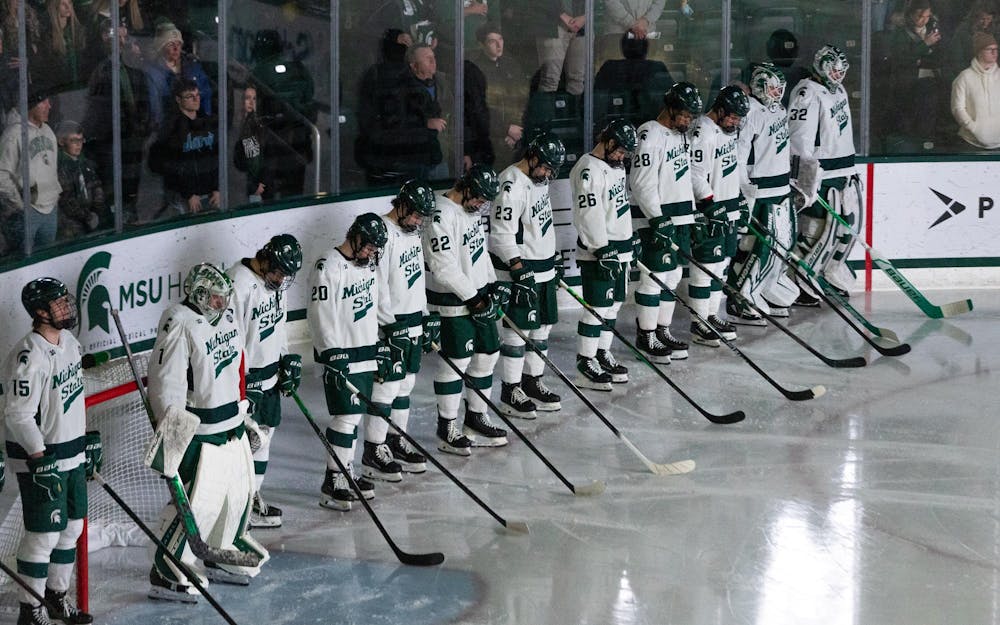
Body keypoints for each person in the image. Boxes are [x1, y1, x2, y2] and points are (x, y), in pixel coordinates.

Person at [146, 262, 267, 599]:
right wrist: (171, 436)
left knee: (237, 494)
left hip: (231, 423)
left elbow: (237, 364)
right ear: (199, 294)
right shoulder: (178, 322)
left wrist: (244, 411)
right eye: (216, 297)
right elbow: (164, 384)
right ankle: (166, 566)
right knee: (200, 497)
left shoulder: (226, 317)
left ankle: (220, 551)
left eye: (225, 297)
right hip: (201, 430)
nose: (223, 303)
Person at [3, 277, 96, 625]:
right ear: (40, 311)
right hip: (42, 460)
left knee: (72, 529)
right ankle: (31, 609)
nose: (66, 307)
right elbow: (17, 414)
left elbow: (70, 402)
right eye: (57, 303)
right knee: (43, 535)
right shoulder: (28, 356)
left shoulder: (69, 342)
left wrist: (87, 439)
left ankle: (56, 599)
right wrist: (39, 457)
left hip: (71, 453)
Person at [424, 164, 509, 453]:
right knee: (456, 362)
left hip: (478, 294)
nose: (482, 205)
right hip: (452, 303)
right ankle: (446, 426)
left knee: (487, 355)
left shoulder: (471, 211)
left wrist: (492, 284)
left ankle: (476, 417)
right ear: (467, 188)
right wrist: (474, 299)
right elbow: (443, 268)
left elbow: (479, 249)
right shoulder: (439, 215)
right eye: (480, 198)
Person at [308, 213, 388, 510]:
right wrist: (331, 353)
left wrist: (384, 338)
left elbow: (374, 304)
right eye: (367, 246)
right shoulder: (328, 265)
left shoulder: (367, 265)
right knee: (345, 417)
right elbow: (320, 312)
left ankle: (346, 470)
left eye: (374, 249)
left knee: (354, 418)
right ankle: (333, 481)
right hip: (341, 354)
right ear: (354, 236)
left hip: (365, 350)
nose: (370, 253)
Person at [361, 181, 437, 482]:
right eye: (416, 215)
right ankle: (373, 449)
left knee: (405, 385)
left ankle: (396, 439)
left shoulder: (411, 233)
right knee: (386, 387)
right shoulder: (381, 232)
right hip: (390, 324)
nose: (419, 222)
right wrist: (388, 325)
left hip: (413, 319)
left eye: (423, 217)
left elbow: (415, 279)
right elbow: (375, 285)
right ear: (401, 205)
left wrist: (426, 315)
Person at [226, 234, 303, 528]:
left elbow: (277, 325)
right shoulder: (237, 284)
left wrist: (285, 358)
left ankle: (252, 500)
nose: (282, 279)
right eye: (278, 271)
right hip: (245, 381)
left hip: (269, 374)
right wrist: (243, 383)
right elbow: (230, 340)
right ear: (266, 259)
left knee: (264, 439)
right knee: (240, 447)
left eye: (286, 274)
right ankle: (235, 509)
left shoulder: (275, 283)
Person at [490, 132, 565, 418]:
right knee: (517, 333)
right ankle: (511, 391)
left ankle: (533, 382)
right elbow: (501, 235)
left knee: (542, 329)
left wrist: (554, 258)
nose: (547, 173)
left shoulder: (538, 180)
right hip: (521, 270)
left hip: (543, 267)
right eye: (545, 166)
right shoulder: (510, 185)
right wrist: (518, 270)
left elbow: (541, 225)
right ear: (532, 157)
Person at [628, 81, 703, 364]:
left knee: (672, 276)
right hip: (656, 219)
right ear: (670, 108)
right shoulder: (649, 133)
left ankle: (662, 329)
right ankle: (645, 334)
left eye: (691, 116)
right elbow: (641, 183)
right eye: (683, 114)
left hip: (680, 215)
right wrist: (657, 218)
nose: (687, 121)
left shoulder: (680, 135)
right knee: (654, 277)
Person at [788, 45, 862, 302]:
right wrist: (805, 180)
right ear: (820, 66)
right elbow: (799, 139)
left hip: (844, 170)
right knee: (817, 230)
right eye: (832, 68)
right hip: (822, 173)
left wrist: (852, 171)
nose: (837, 74)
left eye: (841, 69)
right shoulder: (806, 92)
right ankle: (800, 282)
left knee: (846, 229)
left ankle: (827, 275)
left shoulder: (838, 89)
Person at [728, 63, 799, 323]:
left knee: (783, 245)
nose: (778, 91)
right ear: (759, 86)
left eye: (780, 87)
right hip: (761, 190)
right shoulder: (749, 112)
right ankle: (741, 296)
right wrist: (744, 190)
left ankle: (763, 290)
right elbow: (738, 154)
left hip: (781, 188)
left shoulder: (778, 109)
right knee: (761, 247)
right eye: (773, 87)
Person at [569, 119, 637, 391]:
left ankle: (601, 352)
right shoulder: (588, 169)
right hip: (600, 251)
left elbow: (618, 206)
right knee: (596, 307)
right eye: (619, 151)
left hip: (620, 248)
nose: (622, 157)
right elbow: (588, 214)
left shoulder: (615, 166)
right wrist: (601, 247)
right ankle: (585, 362)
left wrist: (630, 240)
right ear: (607, 142)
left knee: (613, 305)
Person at [688, 85, 750, 347]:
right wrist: (711, 205)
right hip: (710, 211)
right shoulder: (703, 131)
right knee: (705, 268)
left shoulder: (726, 132)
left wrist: (739, 201)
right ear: (720, 110)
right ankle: (699, 322)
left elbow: (730, 170)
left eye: (739, 118)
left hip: (728, 208)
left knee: (721, 266)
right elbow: (694, 173)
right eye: (733, 116)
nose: (736, 122)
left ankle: (712, 315)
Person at [82, 16, 150, 225]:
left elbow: (142, 94)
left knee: (131, 176)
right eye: (117, 36)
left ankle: (130, 211)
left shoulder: (130, 61)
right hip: (109, 136)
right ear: (105, 36)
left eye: (124, 36)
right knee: (111, 178)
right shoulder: (98, 65)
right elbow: (95, 103)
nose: (122, 41)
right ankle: (111, 219)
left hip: (132, 133)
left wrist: (141, 124)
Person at [249, 29, 317, 199]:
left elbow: (252, 107)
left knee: (266, 195)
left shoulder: (258, 72)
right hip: (298, 143)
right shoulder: (298, 69)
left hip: (270, 147)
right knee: (293, 192)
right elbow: (310, 95)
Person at [0, 90, 61, 253]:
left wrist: (55, 194)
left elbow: (52, 167)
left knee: (47, 258)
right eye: (43, 102)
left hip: (50, 208)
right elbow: (1, 175)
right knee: (25, 262)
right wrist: (19, 204)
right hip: (27, 213)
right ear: (31, 105)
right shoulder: (13, 134)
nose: (49, 106)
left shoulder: (48, 130)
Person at [464, 22, 531, 167]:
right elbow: (478, 109)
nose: (499, 45)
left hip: (515, 138)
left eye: (500, 39)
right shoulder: (474, 70)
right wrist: (506, 129)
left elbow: (523, 98)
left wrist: (516, 128)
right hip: (489, 142)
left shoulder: (512, 65)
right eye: (492, 41)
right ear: (481, 44)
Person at [151, 77, 219, 215]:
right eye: (190, 96)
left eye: (197, 95)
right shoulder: (170, 128)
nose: (196, 99)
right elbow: (165, 164)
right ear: (178, 100)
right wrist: (188, 193)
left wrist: (217, 188)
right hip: (183, 196)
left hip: (209, 194)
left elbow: (215, 158)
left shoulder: (207, 122)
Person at [885, 0, 945, 150]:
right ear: (911, 15)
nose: (924, 20)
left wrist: (923, 53)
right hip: (907, 83)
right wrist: (924, 45)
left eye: (927, 16)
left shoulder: (933, 30)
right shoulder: (901, 32)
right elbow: (901, 59)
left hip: (931, 79)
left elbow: (939, 56)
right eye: (920, 16)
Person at [143, 20, 213, 131]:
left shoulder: (193, 66)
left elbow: (205, 93)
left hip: (196, 127)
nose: (176, 48)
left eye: (179, 44)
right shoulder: (153, 73)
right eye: (171, 44)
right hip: (170, 130)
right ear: (161, 47)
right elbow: (155, 107)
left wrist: (205, 121)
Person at [55, 120, 106, 239]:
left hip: (91, 216)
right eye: (73, 140)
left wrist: (98, 211)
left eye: (81, 140)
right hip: (70, 222)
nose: (79, 144)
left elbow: (96, 186)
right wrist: (88, 217)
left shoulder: (87, 163)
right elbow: (66, 199)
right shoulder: (59, 166)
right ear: (62, 141)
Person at [951, 32, 1000, 150]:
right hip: (971, 142)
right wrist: (974, 128)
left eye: (996, 49)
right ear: (979, 52)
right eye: (989, 49)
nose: (994, 53)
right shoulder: (964, 77)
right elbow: (958, 108)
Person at [233, 84, 275, 204]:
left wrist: (260, 183)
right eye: (247, 98)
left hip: (259, 186)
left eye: (254, 99)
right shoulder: (240, 124)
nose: (251, 102)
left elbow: (265, 157)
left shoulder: (261, 125)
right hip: (244, 185)